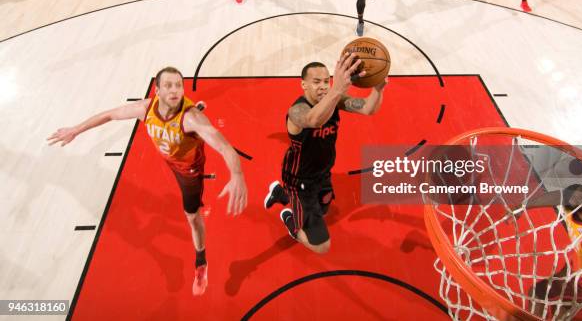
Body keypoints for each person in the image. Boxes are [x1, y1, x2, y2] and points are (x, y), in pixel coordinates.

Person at [47, 66, 248, 296]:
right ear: (157, 90)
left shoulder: (192, 119)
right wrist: (76, 129)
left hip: (188, 170)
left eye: (179, 85)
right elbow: (109, 114)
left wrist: (238, 175)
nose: (175, 90)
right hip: (169, 156)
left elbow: (225, 147)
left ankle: (201, 262)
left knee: (192, 217)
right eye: (168, 85)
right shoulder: (145, 108)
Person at [264, 53, 388, 254]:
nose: (323, 86)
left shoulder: (334, 100)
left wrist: (377, 89)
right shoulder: (297, 111)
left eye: (326, 81)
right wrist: (337, 89)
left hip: (322, 174)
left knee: (323, 210)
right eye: (316, 82)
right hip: (299, 180)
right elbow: (314, 120)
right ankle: (289, 219)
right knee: (321, 246)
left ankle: (280, 194)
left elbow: (367, 109)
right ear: (303, 85)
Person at [516, 178, 582, 320]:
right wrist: (524, 205)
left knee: (545, 297)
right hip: (577, 265)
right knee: (546, 294)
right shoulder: (576, 199)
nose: (580, 192)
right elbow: (558, 195)